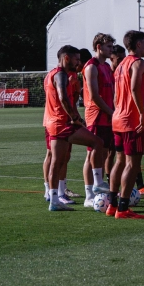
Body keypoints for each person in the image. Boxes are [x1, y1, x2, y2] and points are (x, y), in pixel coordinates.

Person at [43, 45, 105, 211]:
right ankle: (98, 183)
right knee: (97, 143)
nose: (79, 62)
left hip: (53, 123)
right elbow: (62, 98)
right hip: (63, 123)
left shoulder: (50, 74)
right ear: (66, 58)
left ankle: (54, 200)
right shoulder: (61, 74)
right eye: (76, 59)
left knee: (57, 161)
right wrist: (75, 117)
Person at [108, 30, 144, 219]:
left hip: (118, 118)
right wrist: (142, 113)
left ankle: (112, 204)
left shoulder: (120, 65)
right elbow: (134, 88)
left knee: (119, 161)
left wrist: (119, 111)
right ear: (138, 45)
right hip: (132, 120)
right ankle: (123, 208)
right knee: (132, 164)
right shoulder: (138, 62)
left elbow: (116, 96)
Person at [80, 33, 115, 208]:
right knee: (91, 153)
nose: (111, 49)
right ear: (99, 47)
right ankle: (89, 194)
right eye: (108, 46)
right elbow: (94, 96)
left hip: (108, 115)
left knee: (102, 152)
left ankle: (97, 187)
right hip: (96, 115)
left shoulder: (107, 67)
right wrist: (111, 111)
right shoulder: (91, 67)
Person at [106, 45, 126, 180]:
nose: (122, 61)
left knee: (126, 152)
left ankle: (138, 184)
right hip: (108, 115)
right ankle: (108, 180)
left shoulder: (122, 72)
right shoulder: (108, 72)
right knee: (110, 152)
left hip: (120, 116)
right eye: (120, 58)